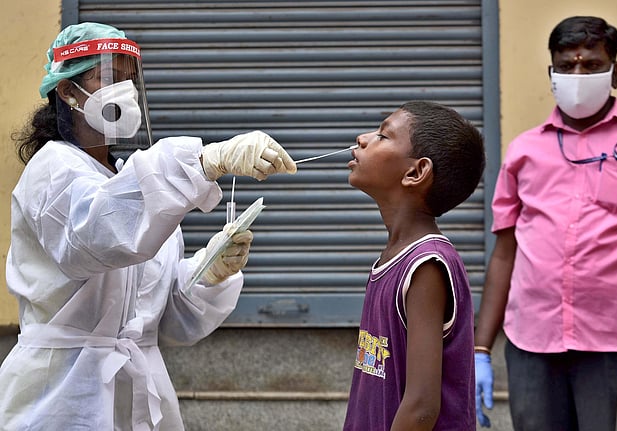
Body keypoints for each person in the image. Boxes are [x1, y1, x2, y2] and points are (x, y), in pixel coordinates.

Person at [0, 22, 296, 430]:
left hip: (136, 396)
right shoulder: (54, 170)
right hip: (62, 399)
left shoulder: (131, 184)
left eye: (129, 79)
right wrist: (203, 161)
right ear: (67, 91)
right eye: (108, 78)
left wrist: (208, 273)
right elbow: (95, 236)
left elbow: (163, 320)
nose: (124, 91)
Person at [474, 16, 617, 431]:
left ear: (615, 71)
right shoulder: (524, 151)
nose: (578, 76)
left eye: (591, 65)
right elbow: (505, 253)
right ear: (552, 73)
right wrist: (479, 349)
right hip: (533, 340)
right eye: (566, 66)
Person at [342, 101, 485, 431]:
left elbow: (421, 407)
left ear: (416, 172)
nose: (362, 138)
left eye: (383, 136)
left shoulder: (425, 265)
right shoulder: (393, 257)